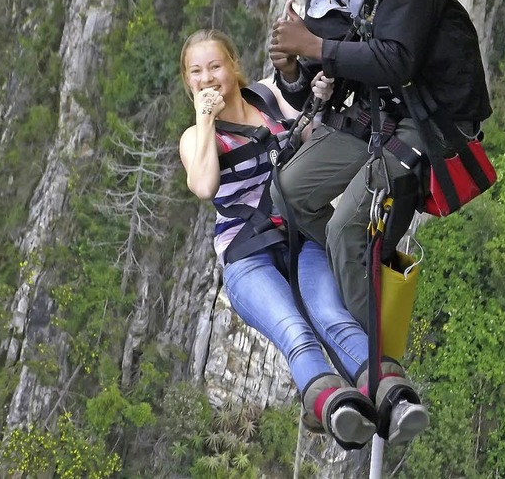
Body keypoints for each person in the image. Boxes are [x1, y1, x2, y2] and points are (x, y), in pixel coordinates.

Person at [178, 28, 429, 449]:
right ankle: (335, 406)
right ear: (188, 81)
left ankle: (394, 396)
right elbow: (204, 185)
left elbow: (309, 141)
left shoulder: (265, 98)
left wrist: (321, 100)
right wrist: (206, 118)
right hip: (247, 255)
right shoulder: (196, 138)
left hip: (298, 236)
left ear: (234, 67)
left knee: (333, 316)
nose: (207, 78)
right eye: (196, 72)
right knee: (296, 331)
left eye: (215, 66)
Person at [269, 0, 492, 332]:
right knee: (288, 193)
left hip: (436, 116)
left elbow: (397, 60)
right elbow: (316, 95)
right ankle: (356, 282)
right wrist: (293, 69)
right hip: (385, 112)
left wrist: (312, 45)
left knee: (345, 230)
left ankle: (373, 351)